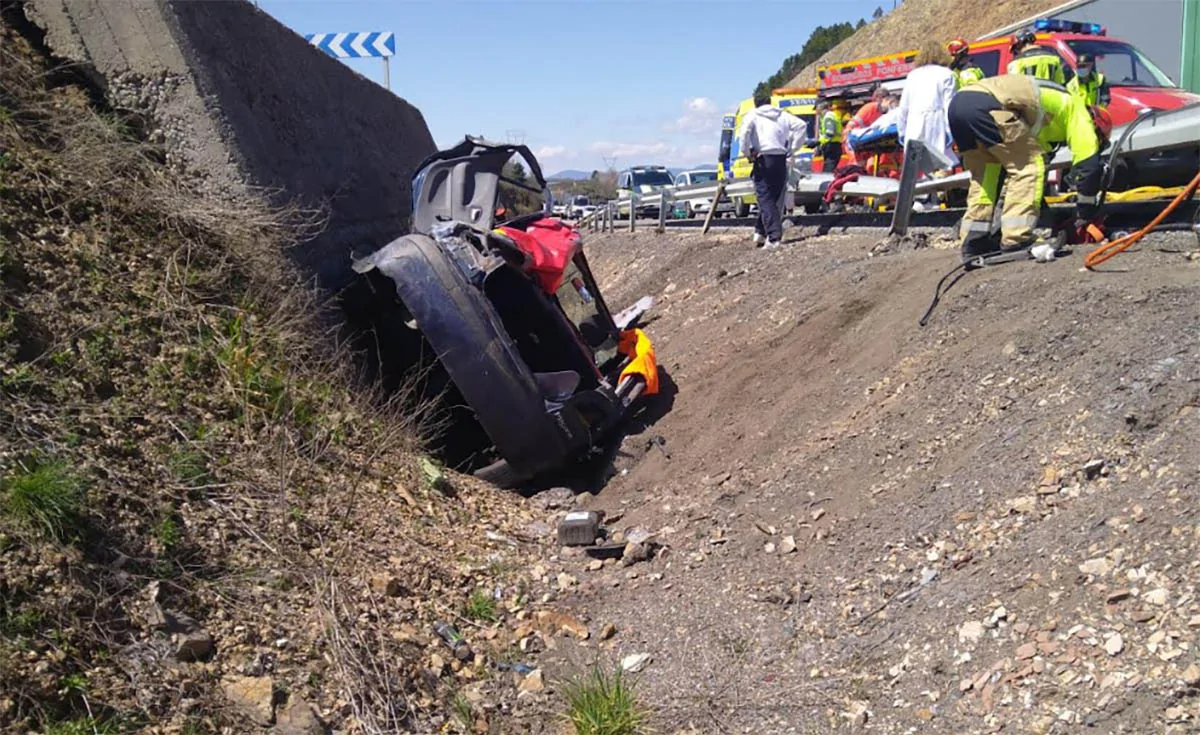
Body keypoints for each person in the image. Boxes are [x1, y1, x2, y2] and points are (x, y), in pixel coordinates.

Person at [947, 74, 1112, 263]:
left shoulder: (1048, 117)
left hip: (959, 106)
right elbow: (1088, 167)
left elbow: (1031, 186)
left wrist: (1050, 217)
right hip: (988, 105)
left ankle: (974, 241)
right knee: (1030, 167)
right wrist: (1085, 213)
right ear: (1096, 126)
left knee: (986, 178)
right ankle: (1016, 239)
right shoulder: (1079, 113)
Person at [736, 90, 809, 248]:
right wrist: (792, 148)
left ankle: (774, 237)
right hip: (780, 158)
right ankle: (760, 232)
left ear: (755, 104)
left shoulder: (752, 115)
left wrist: (747, 153)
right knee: (774, 197)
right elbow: (801, 125)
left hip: (763, 158)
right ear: (770, 101)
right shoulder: (782, 114)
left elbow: (744, 135)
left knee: (764, 198)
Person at [896, 41, 959, 172]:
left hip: (914, 123)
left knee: (918, 168)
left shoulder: (912, 75)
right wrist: (950, 132)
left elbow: (903, 107)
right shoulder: (946, 74)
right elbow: (949, 105)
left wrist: (901, 131)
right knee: (940, 167)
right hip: (936, 124)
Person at [815, 100, 844, 174]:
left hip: (831, 146)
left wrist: (818, 142)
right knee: (829, 169)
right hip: (834, 145)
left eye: (816, 109)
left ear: (820, 108)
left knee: (828, 170)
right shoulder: (830, 115)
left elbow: (830, 133)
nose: (816, 111)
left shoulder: (828, 117)